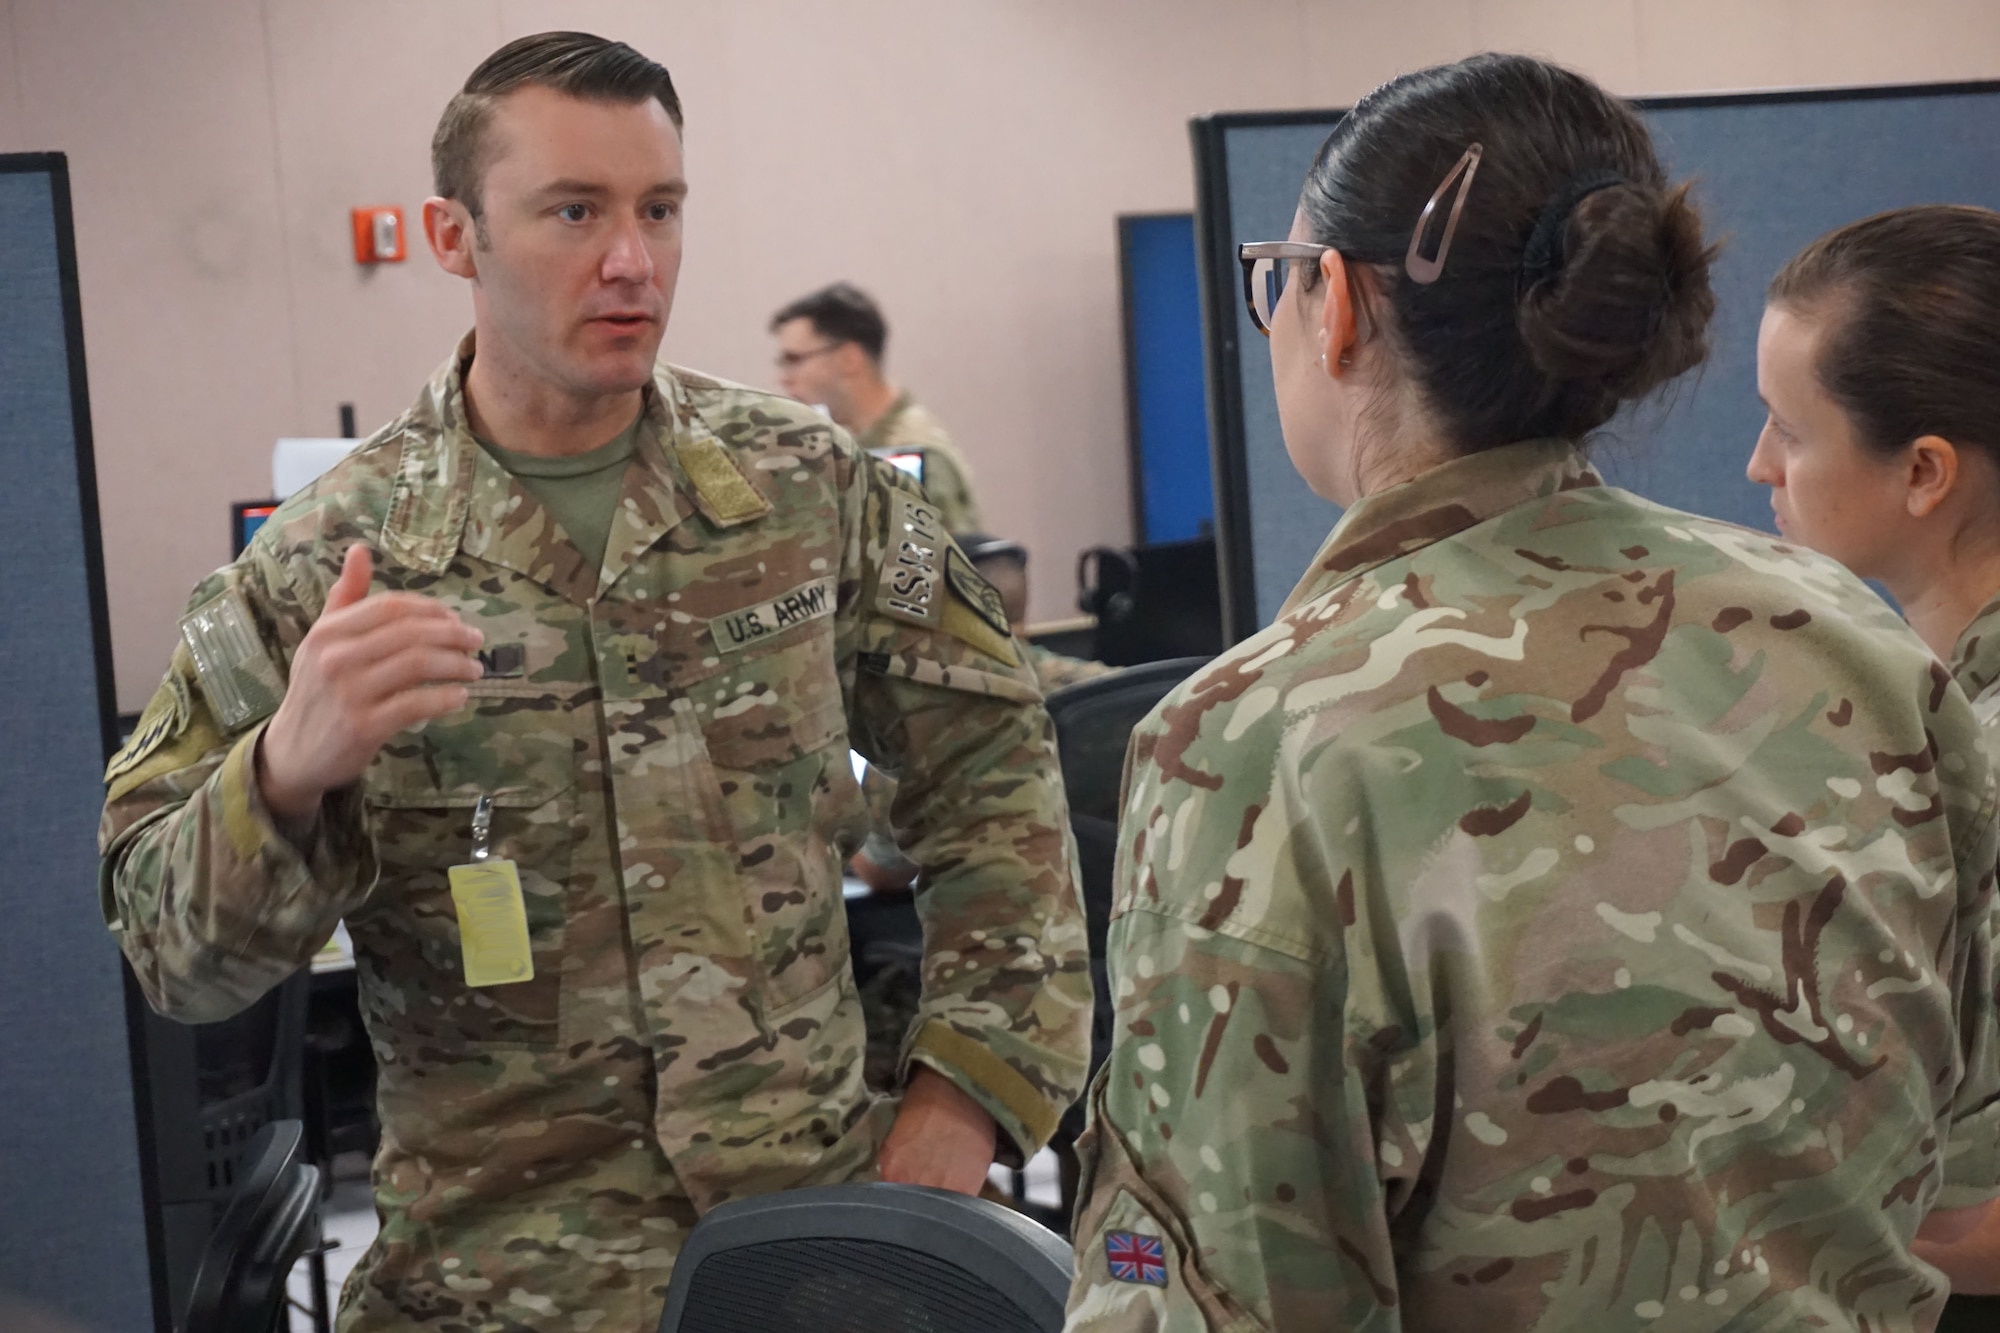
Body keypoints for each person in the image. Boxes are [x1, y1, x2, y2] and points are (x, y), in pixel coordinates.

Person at [98, 32, 1090, 1333]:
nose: (633, 259)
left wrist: (964, 1102)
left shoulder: (805, 488)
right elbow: (170, 958)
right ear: (456, 236)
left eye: (659, 210)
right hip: (495, 1295)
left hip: (811, 1269)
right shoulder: (327, 563)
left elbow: (999, 776)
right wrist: (282, 775)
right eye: (575, 212)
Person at [1063, 53, 2000, 1332]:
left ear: (1333, 306)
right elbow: (1937, 1150)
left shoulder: (1252, 738)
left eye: (1275, 279)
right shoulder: (1854, 643)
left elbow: (1213, 1295)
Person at [1747, 204, 2000, 1329]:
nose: (1757, 464)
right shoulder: (1928, 706)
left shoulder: (1975, 760)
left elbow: (1983, 1223)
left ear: (1923, 472)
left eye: (1788, 432)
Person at [770, 282, 984, 531]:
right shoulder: (851, 447)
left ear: (849, 359)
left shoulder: (913, 455)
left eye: (794, 360)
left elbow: (936, 564)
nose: (783, 378)